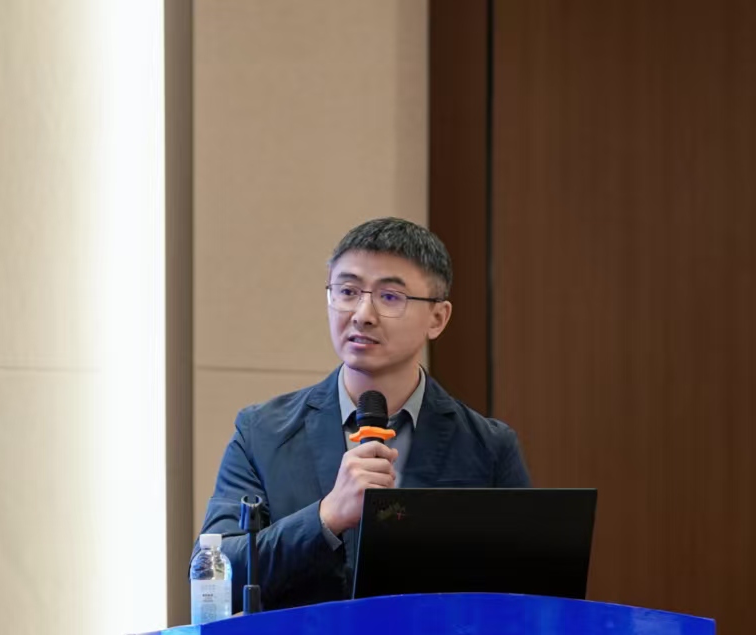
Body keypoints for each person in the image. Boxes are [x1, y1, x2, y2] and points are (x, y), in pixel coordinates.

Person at [199, 217, 530, 611]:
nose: (362, 314)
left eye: (390, 297)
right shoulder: (262, 432)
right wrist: (326, 517)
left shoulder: (488, 447)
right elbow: (214, 573)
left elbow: (527, 595)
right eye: (347, 291)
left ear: (437, 318)